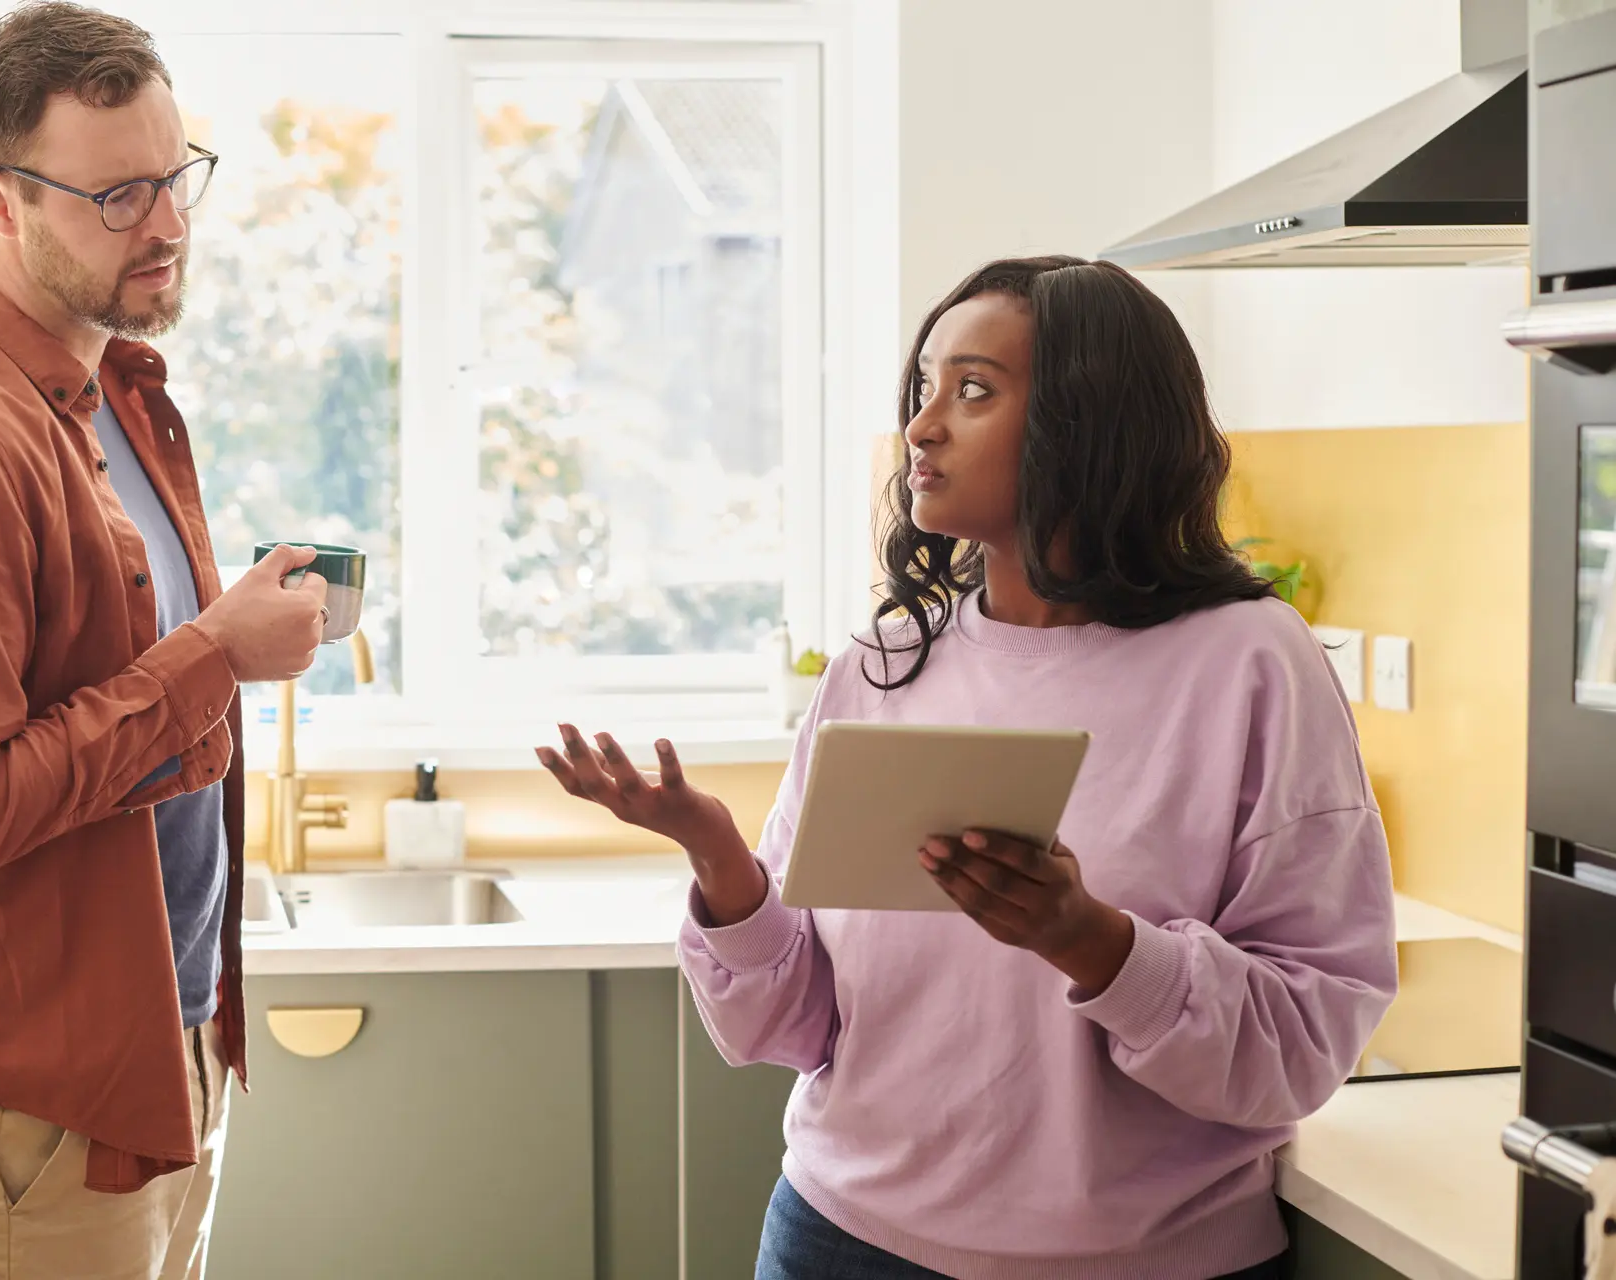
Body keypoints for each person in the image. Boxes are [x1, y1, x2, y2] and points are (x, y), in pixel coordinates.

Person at [538, 256, 1397, 1279]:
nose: (922, 426)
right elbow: (794, 1021)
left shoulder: (1252, 662)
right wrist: (721, 859)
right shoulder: (885, 666)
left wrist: (1095, 943)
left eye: (974, 390)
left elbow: (1302, 1044)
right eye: (923, 389)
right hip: (836, 1241)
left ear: (1089, 425)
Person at [0, 5, 328, 1276]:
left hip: (154, 1052)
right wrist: (215, 654)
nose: (165, 224)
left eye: (174, 176)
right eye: (116, 196)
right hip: (28, 1107)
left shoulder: (113, 392)